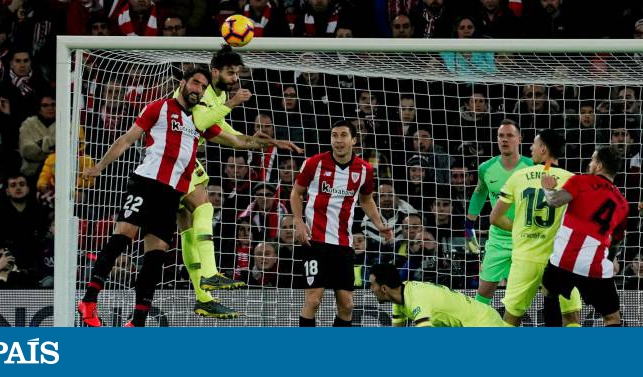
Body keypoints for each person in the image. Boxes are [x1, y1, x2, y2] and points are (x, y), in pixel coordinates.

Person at [77, 66, 297, 327]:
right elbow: (126, 140)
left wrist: (269, 142)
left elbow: (237, 141)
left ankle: (137, 322)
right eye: (195, 83)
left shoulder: (198, 120)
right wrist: (98, 167)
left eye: (203, 87)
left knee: (155, 256)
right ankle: (89, 301)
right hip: (147, 183)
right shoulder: (158, 107)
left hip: (172, 193)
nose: (198, 90)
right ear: (182, 83)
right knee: (123, 235)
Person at [177, 45, 301, 318]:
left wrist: (271, 142)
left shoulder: (216, 97)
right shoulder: (202, 92)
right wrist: (232, 103)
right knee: (204, 208)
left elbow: (233, 137)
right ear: (215, 71)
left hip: (179, 160)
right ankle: (209, 275)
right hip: (172, 159)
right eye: (231, 73)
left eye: (237, 73)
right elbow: (200, 121)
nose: (235, 79)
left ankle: (203, 298)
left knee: (186, 229)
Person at [291, 120, 393, 327]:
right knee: (313, 300)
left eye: (343, 135)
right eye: (334, 135)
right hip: (314, 241)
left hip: (343, 244)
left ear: (353, 140)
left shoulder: (365, 170)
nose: (338, 140)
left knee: (347, 306)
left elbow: (366, 199)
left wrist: (379, 224)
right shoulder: (314, 163)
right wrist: (298, 221)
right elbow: (296, 193)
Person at [490, 129, 582, 327]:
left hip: (525, 259)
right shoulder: (573, 180)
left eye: (533, 143)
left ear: (543, 149)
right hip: (561, 261)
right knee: (571, 318)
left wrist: (521, 229)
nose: (530, 148)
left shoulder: (518, 177)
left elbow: (495, 218)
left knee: (511, 319)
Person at [540, 146, 629, 326]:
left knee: (549, 293)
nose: (590, 163)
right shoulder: (623, 204)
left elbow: (555, 201)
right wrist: (611, 260)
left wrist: (547, 188)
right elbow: (616, 241)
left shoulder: (581, 181)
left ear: (599, 165)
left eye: (592, 160)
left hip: (563, 261)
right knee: (612, 317)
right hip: (594, 267)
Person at [465, 121, 534, 305]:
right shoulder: (486, 168)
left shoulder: (532, 167)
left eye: (510, 135)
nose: (505, 140)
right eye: (501, 136)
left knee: (521, 293)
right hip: (498, 238)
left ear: (519, 139)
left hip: (526, 237)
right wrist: (468, 225)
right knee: (484, 291)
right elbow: (480, 193)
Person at [369, 263, 508, 327]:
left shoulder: (417, 299)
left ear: (384, 288)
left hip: (482, 323)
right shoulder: (399, 297)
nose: (370, 289)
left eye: (371, 285)